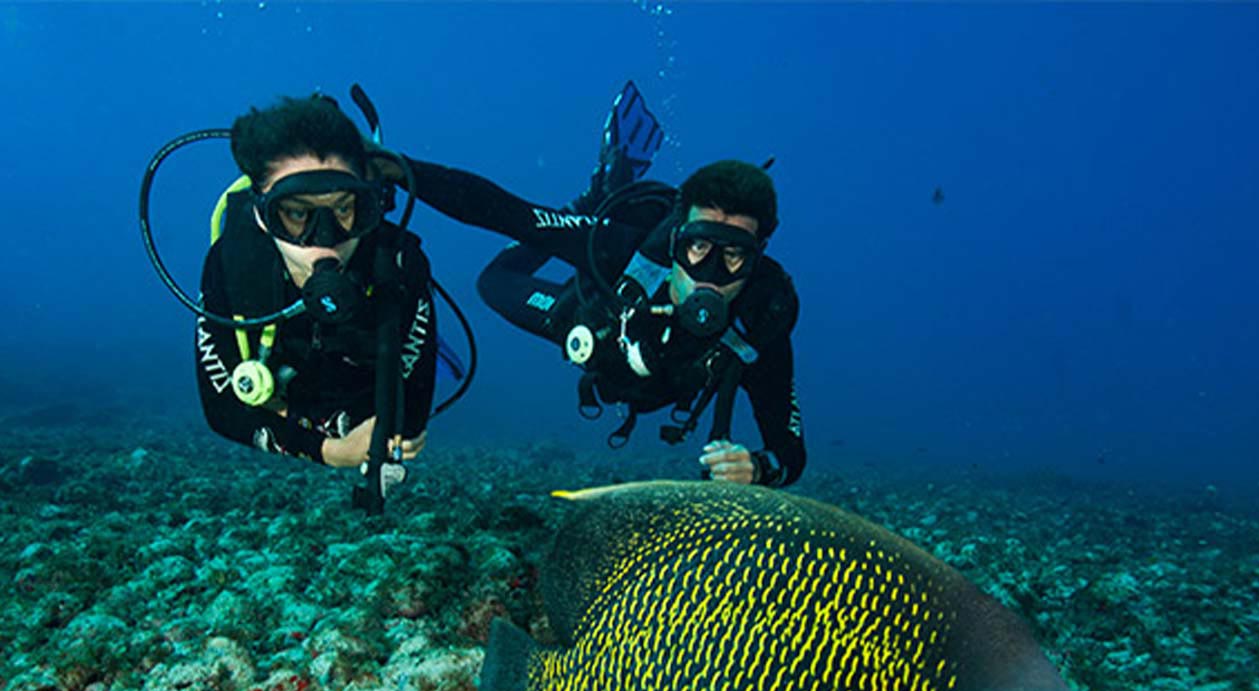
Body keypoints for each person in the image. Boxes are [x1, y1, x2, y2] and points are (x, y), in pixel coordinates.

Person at [390, 83, 805, 487]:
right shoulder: (622, 247)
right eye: (699, 246)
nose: (711, 272)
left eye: (734, 254)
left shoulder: (760, 321)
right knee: (493, 282)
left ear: (759, 253)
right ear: (677, 239)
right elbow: (506, 213)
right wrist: (395, 167)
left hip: (651, 379)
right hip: (593, 320)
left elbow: (790, 449)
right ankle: (590, 200)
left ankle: (605, 194)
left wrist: (758, 467)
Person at [194, 95, 437, 476]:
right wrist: (329, 450)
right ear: (262, 215)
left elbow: (411, 415)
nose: (325, 240)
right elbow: (222, 409)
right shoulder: (232, 265)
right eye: (295, 214)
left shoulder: (398, 265)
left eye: (344, 209)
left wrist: (381, 432)